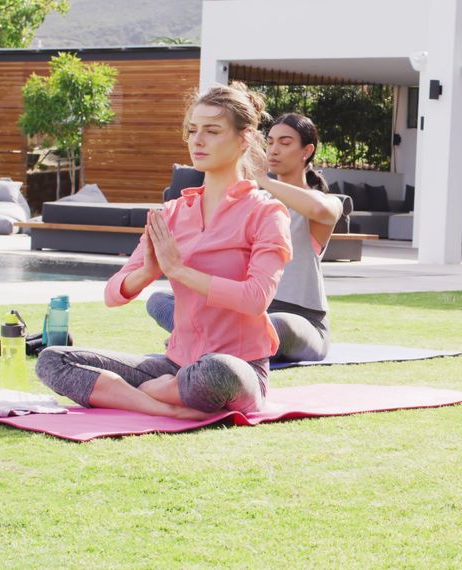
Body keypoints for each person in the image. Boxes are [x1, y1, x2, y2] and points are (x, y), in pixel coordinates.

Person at [36, 83, 292, 419]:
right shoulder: (172, 213)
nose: (197, 141)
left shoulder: (266, 213)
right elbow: (114, 293)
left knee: (216, 372)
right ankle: (161, 405)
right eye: (192, 130)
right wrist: (147, 272)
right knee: (53, 359)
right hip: (173, 365)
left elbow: (256, 298)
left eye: (212, 131)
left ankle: (157, 394)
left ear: (244, 138)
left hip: (237, 368)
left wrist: (180, 271)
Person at [147, 113, 342, 363]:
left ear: (307, 150)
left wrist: (262, 179)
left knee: (277, 323)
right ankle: (207, 338)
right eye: (269, 142)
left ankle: (209, 342)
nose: (273, 150)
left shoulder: (324, 202)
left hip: (301, 321)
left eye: (285, 143)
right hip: (241, 314)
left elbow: (320, 211)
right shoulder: (252, 204)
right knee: (159, 300)